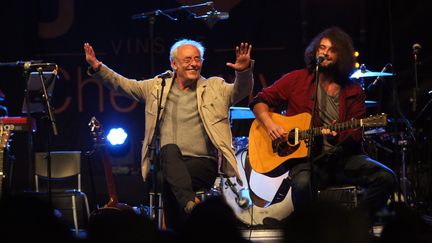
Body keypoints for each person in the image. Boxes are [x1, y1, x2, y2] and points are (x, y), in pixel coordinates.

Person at [84, 39, 253, 230]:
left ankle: (185, 214)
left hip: (202, 163)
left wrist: (244, 72)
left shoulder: (215, 87)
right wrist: (98, 67)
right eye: (188, 59)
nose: (194, 63)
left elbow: (241, 90)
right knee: (169, 153)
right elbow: (123, 85)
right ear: (174, 64)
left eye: (197, 59)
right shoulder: (158, 87)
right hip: (166, 162)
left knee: (169, 180)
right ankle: (190, 213)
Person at [250, 27, 396, 218]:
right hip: (307, 161)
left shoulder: (354, 91)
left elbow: (355, 136)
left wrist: (336, 140)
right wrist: (270, 125)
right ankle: (311, 231)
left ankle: (359, 222)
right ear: (315, 51)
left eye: (332, 49)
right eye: (322, 47)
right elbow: (260, 101)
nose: (325, 53)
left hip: (344, 160)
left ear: (342, 55)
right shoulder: (297, 79)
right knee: (302, 182)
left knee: (386, 177)